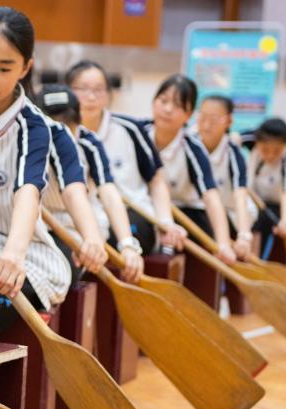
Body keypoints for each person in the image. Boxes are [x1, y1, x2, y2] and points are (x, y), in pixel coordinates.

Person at [0, 7, 106, 334]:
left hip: (12, 243)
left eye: (4, 68)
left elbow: (30, 193)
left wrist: (14, 253)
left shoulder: (36, 127)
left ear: (25, 68)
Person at [63, 60, 186, 254]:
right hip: (86, 216)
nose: (91, 96)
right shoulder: (59, 132)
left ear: (108, 94)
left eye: (98, 89)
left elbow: (156, 180)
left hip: (132, 215)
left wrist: (165, 221)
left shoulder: (130, 129)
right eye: (83, 89)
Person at [118, 75, 237, 266]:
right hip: (146, 208)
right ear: (154, 102)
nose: (167, 109)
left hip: (185, 212)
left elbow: (211, 196)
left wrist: (223, 243)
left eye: (177, 105)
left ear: (188, 115)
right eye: (163, 101)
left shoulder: (193, 148)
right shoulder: (136, 133)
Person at [37, 84, 144, 282]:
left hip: (78, 228)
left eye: (67, 124)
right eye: (53, 124)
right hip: (37, 225)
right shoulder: (29, 140)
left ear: (78, 121)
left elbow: (109, 193)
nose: (61, 133)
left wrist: (127, 245)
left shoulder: (89, 142)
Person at [193, 95, 255, 259]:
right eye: (202, 117)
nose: (206, 125)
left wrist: (244, 235)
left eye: (213, 120)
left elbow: (240, 196)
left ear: (229, 121)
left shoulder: (233, 153)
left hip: (231, 215)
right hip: (198, 211)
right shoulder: (189, 144)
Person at [239, 117, 286, 257]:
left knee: (278, 228)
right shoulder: (253, 138)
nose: (271, 155)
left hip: (281, 205)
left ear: (285, 145)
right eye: (265, 150)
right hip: (255, 199)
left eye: (277, 150)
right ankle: (251, 257)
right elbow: (234, 139)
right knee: (252, 219)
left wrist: (285, 222)